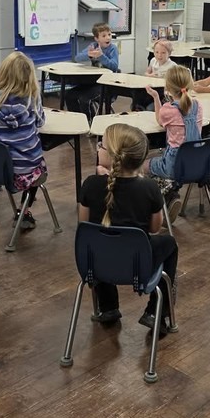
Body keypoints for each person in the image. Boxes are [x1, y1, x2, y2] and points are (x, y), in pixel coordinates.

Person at [79, 123, 178, 335]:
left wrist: (102, 177)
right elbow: (154, 228)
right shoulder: (150, 188)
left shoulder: (90, 184)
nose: (98, 148)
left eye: (101, 146)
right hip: (138, 266)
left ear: (114, 156)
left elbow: (84, 226)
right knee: (169, 243)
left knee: (101, 241)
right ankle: (156, 312)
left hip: (95, 265)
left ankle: (108, 307)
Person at [0, 51, 48, 230]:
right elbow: (40, 122)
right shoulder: (32, 97)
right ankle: (24, 210)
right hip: (23, 171)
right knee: (40, 167)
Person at [144, 65, 203, 220]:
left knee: (142, 166)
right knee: (167, 165)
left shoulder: (168, 109)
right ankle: (171, 195)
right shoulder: (198, 106)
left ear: (168, 87)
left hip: (174, 165)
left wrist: (156, 98)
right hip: (197, 164)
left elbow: (159, 120)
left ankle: (159, 206)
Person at [66, 22, 119, 119]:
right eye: (104, 36)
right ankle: (79, 120)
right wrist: (89, 54)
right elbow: (77, 58)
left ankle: (90, 123)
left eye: (109, 34)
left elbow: (114, 66)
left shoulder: (113, 49)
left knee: (85, 99)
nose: (108, 38)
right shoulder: (93, 45)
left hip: (107, 85)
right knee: (69, 95)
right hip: (92, 82)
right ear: (96, 38)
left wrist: (101, 56)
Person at [132, 39, 175, 110]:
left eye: (163, 53)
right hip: (152, 87)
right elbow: (146, 73)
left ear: (169, 53)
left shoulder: (172, 66)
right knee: (138, 93)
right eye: (157, 52)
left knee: (150, 106)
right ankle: (138, 107)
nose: (159, 55)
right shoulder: (153, 61)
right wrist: (150, 75)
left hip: (164, 92)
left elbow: (176, 82)